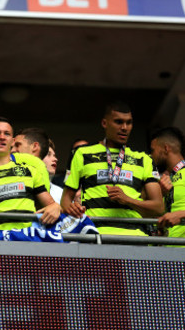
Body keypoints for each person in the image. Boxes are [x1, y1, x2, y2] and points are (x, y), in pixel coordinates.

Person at [61, 101, 163, 236]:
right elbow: (65, 200)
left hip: (135, 238)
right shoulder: (82, 153)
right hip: (94, 235)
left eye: (129, 122)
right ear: (104, 123)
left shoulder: (143, 159)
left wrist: (127, 199)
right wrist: (72, 209)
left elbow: (158, 207)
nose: (125, 127)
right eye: (118, 122)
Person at [11, 127, 51, 192]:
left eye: (17, 145)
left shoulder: (38, 168)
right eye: (12, 147)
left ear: (35, 146)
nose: (12, 150)